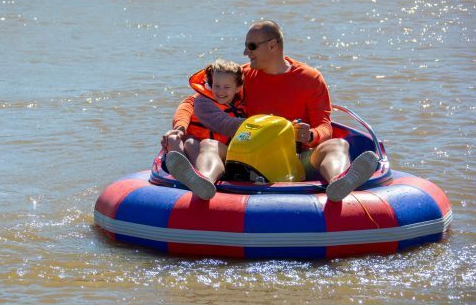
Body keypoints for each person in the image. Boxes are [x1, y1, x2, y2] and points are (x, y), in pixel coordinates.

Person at [163, 20, 379, 201]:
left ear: (273, 44)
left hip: (293, 160)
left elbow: (325, 127)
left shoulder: (310, 79)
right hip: (246, 156)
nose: (245, 52)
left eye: (252, 46)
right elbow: (193, 102)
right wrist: (180, 128)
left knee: (338, 144)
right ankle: (204, 183)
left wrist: (311, 135)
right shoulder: (243, 77)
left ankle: (339, 184)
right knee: (209, 144)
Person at [161, 59, 245, 199]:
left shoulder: (241, 106)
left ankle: (197, 179)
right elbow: (224, 124)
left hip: (222, 152)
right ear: (210, 84)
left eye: (226, 87)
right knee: (183, 141)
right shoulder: (202, 101)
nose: (220, 91)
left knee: (201, 144)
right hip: (200, 148)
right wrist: (180, 129)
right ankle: (194, 177)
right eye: (216, 86)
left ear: (238, 88)